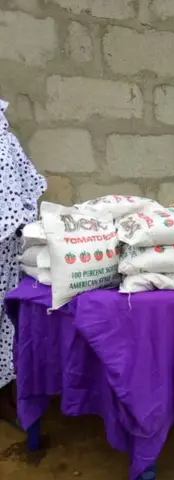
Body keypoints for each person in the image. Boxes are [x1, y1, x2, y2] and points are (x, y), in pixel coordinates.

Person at [0, 99, 46, 424]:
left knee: (8, 320)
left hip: (9, 247)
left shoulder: (5, 136)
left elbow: (27, 180)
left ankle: (8, 395)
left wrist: (23, 217)